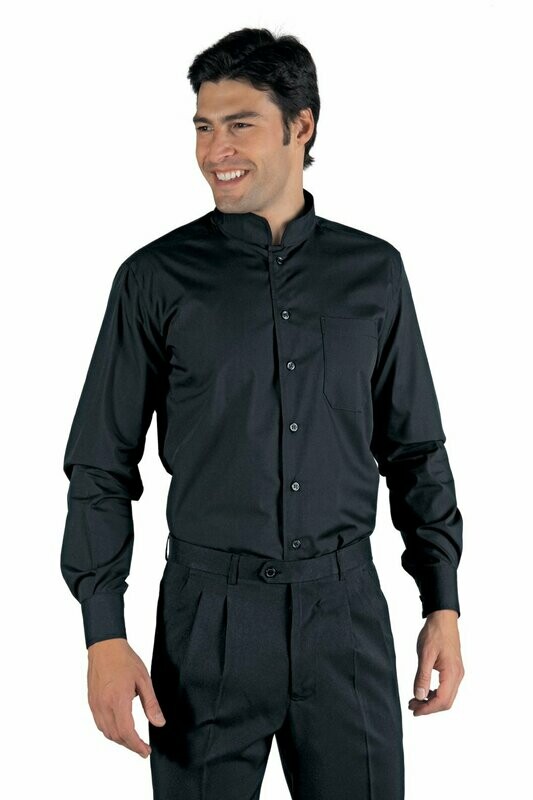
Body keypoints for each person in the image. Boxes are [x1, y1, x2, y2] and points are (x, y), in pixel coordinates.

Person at [60, 26, 464, 800]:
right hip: (206, 625)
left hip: (344, 619)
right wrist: (102, 634)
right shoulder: (154, 278)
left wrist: (440, 602)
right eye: (203, 128)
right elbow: (100, 466)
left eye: (239, 124)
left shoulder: (374, 273)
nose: (215, 150)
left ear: (299, 126)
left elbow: (415, 450)